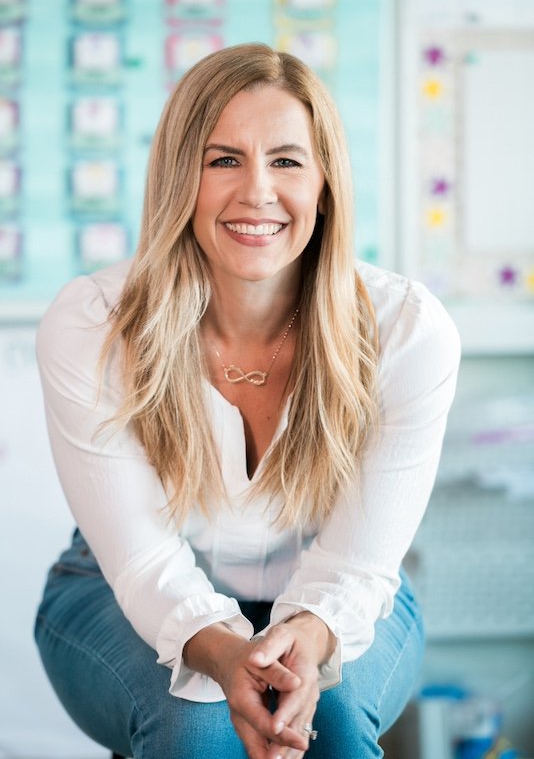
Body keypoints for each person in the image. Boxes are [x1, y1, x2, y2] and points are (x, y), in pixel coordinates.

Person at [34, 43, 460, 759]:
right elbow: (143, 564)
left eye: (287, 161)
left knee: (333, 715)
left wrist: (308, 639)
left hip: (341, 586)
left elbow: (357, 567)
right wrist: (227, 656)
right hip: (125, 587)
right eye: (223, 159)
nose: (257, 191)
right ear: (180, 179)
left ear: (324, 183)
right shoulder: (93, 324)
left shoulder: (407, 332)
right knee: (197, 725)